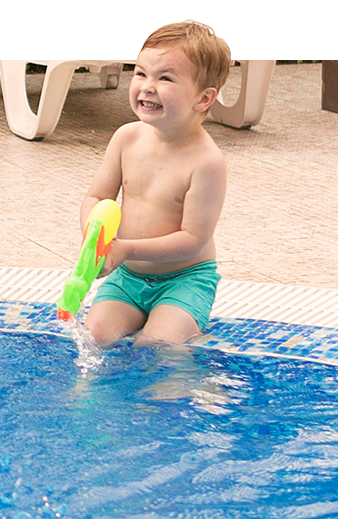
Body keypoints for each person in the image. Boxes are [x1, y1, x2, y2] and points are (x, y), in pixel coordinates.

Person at [81, 21, 231, 347]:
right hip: (128, 277)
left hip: (185, 280)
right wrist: (93, 238)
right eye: (140, 73)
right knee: (94, 336)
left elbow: (193, 239)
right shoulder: (127, 138)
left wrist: (127, 248)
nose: (147, 86)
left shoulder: (207, 162)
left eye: (165, 78)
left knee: (156, 346)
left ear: (203, 98)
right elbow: (97, 196)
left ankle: (194, 387)